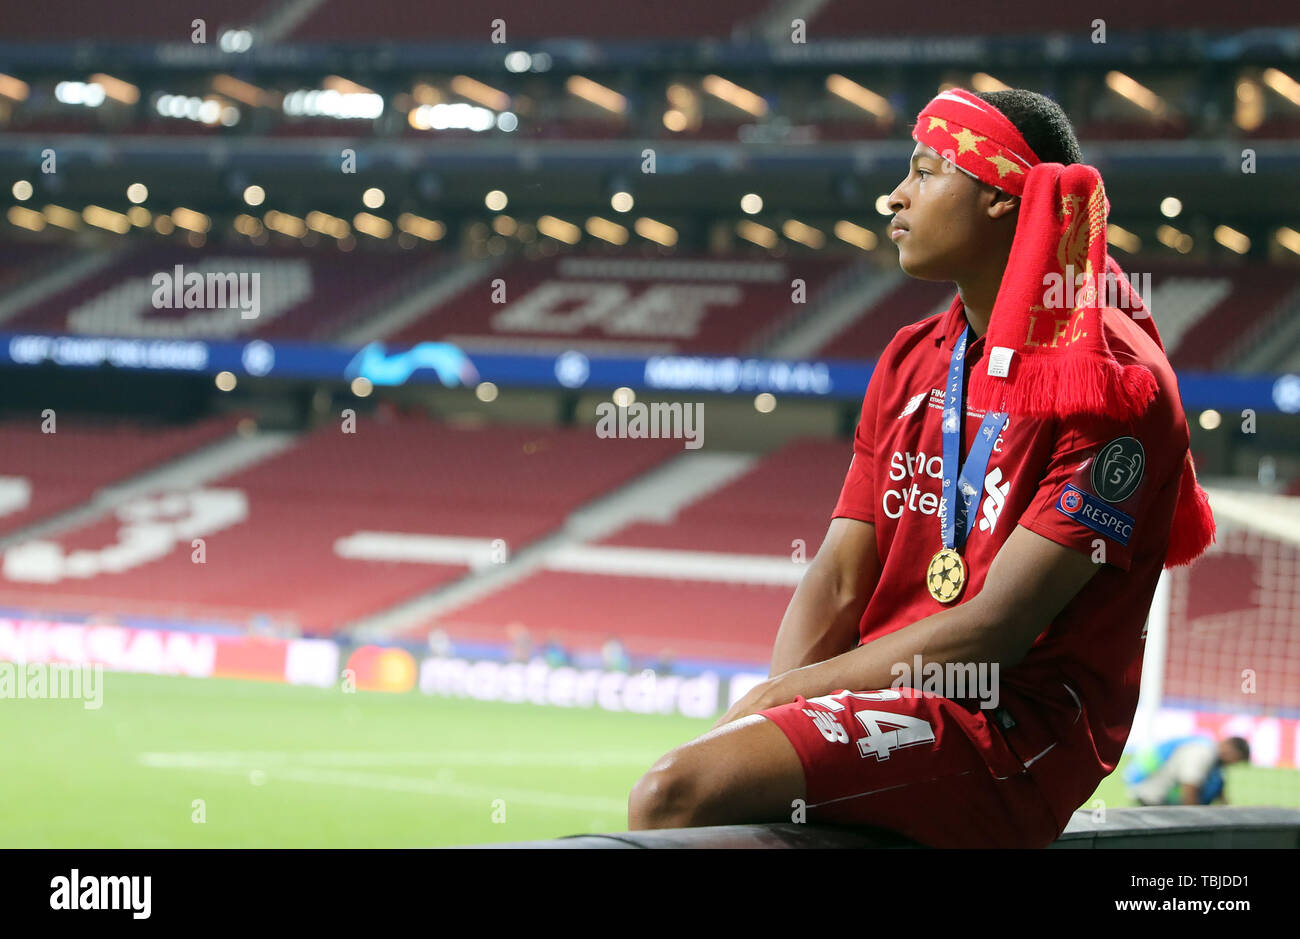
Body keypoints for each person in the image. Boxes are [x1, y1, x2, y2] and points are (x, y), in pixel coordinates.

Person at [627, 87, 1217, 848]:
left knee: (671, 796)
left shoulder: (1114, 384)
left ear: (1004, 196)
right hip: (895, 699)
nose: (893, 196)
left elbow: (995, 632)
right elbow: (839, 578)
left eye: (926, 171)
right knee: (728, 795)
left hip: (1008, 728)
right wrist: (778, 714)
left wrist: (785, 695)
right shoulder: (911, 356)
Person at [1125, 735, 1250, 806]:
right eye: (1237, 760)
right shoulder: (1204, 753)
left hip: (1157, 797)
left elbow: (1220, 795)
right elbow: (1189, 789)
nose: (1234, 764)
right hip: (1152, 796)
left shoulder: (1214, 761)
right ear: (1231, 751)